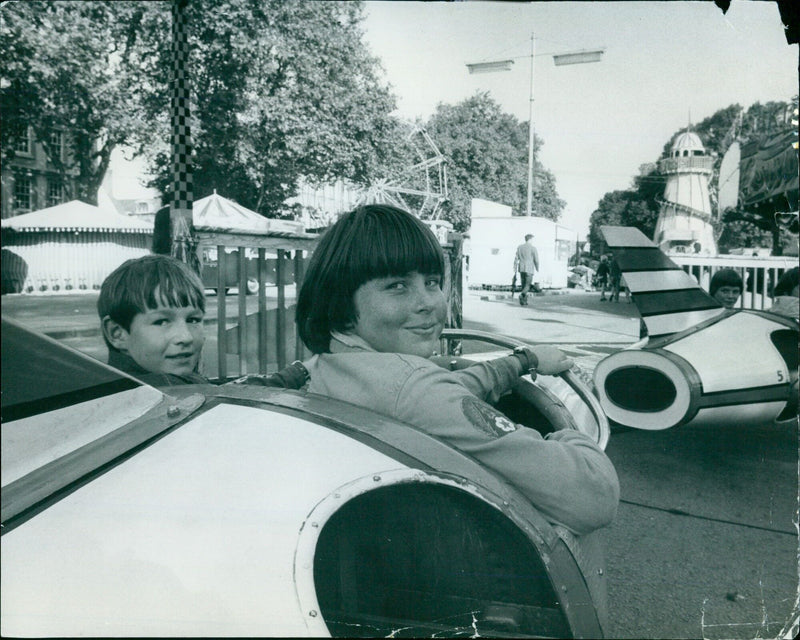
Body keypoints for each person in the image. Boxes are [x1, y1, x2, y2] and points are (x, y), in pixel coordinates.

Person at [294, 204, 619, 535]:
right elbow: (593, 496)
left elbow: (439, 391)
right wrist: (568, 433)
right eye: (397, 286)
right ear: (340, 299)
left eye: (432, 282)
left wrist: (523, 361)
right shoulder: (416, 390)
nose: (429, 303)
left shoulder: (328, 367)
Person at [98, 254, 210, 387]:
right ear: (117, 333)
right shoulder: (168, 389)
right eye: (162, 322)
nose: (186, 337)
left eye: (193, 320)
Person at [513, 233, 539, 306]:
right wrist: (537, 267)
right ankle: (522, 295)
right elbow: (536, 260)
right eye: (532, 239)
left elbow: (516, 258)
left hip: (521, 268)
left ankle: (524, 301)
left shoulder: (520, 247)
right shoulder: (533, 248)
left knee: (523, 284)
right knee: (527, 284)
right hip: (529, 268)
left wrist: (515, 267)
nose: (533, 241)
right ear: (530, 239)